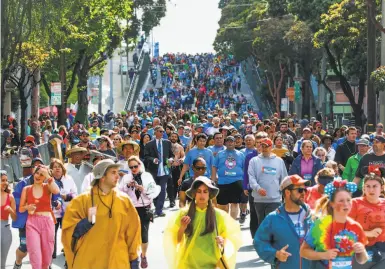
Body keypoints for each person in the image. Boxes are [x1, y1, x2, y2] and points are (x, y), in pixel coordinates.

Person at [61, 159, 141, 269]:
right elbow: (68, 231)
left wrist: (134, 259)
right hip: (90, 261)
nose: (118, 176)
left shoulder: (124, 201)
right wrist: (86, 222)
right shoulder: (81, 201)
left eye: (117, 172)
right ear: (102, 177)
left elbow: (133, 232)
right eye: (113, 173)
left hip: (117, 261)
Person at [163, 176, 242, 269]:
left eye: (205, 191)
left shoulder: (218, 215)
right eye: (199, 191)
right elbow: (177, 240)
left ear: (210, 194)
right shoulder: (184, 213)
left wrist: (222, 240)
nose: (202, 195)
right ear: (194, 194)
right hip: (188, 263)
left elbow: (230, 238)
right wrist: (182, 227)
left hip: (211, 263)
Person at [300, 180, 368, 269]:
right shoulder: (321, 225)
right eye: (341, 201)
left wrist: (361, 251)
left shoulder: (356, 226)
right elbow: (303, 251)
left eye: (348, 200)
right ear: (332, 204)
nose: (346, 204)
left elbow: (362, 260)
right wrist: (323, 255)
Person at [254, 175, 313, 269]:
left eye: (305, 190)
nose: (303, 193)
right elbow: (259, 242)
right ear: (287, 192)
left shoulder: (312, 216)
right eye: (300, 190)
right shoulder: (273, 219)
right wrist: (276, 254)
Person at [119, 156, 161, 269]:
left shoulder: (147, 176)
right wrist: (128, 186)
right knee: (130, 234)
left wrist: (143, 189)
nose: (133, 169)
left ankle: (143, 255)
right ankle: (132, 256)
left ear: (139, 165)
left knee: (144, 234)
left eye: (135, 166)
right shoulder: (126, 177)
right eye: (131, 167)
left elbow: (153, 191)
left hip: (144, 208)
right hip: (131, 208)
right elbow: (120, 192)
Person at [19, 165, 60, 269]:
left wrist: (47, 175)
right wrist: (27, 207)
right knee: (35, 256)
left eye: (42, 175)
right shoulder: (26, 189)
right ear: (33, 173)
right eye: (37, 173)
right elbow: (21, 209)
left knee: (46, 259)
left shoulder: (48, 187)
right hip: (32, 223)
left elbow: (56, 191)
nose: (38, 176)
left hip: (47, 222)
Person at [349, 167, 385, 268]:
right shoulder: (354, 203)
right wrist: (368, 233)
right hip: (361, 251)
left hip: (383, 252)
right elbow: (345, 228)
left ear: (381, 188)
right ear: (363, 188)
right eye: (367, 186)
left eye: (375, 186)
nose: (371, 189)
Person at [248, 138, 288, 226]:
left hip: (275, 199)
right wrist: (258, 189)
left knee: (272, 224)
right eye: (263, 146)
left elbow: (284, 179)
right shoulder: (254, 161)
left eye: (267, 146)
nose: (265, 148)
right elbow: (251, 178)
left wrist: (285, 195)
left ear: (271, 147)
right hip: (259, 200)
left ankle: (273, 240)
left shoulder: (279, 161)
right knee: (262, 224)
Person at [49, 158, 77, 259]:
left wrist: (66, 197)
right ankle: (51, 255)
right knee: (52, 234)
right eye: (54, 167)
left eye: (59, 166)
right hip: (53, 212)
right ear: (51, 169)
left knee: (67, 233)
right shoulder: (48, 181)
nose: (57, 169)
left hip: (67, 210)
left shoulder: (68, 179)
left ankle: (68, 252)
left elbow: (75, 194)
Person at [144, 125, 174, 217]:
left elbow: (171, 155)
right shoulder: (149, 144)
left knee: (162, 190)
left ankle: (159, 210)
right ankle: (157, 206)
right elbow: (146, 156)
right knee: (154, 190)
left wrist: (170, 159)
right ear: (155, 132)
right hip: (154, 171)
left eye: (163, 131)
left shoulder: (167, 143)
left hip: (165, 170)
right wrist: (153, 159)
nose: (162, 133)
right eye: (160, 131)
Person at [212, 136, 245, 220]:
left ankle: (232, 223)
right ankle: (224, 222)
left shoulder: (240, 154)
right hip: (222, 182)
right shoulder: (220, 154)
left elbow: (244, 168)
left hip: (236, 181)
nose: (230, 143)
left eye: (232, 141)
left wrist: (245, 182)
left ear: (235, 143)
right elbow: (214, 166)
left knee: (235, 204)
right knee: (223, 205)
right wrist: (213, 179)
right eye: (228, 141)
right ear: (225, 143)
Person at [1, 170, 17, 269]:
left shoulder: (10, 197)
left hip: (5, 229)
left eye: (6, 180)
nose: (6, 183)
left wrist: (11, 210)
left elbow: (15, 218)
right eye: (3, 180)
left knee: (2, 262)